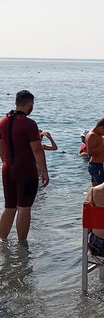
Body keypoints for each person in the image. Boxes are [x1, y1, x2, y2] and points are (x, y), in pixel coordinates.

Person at [0, 90, 49, 241]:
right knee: (24, 207)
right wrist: (45, 172)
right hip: (26, 169)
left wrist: (5, 161)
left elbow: (1, 146)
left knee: (9, 207)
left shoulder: (3, 121)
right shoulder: (29, 124)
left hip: (8, 167)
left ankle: (2, 241)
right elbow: (37, 150)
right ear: (29, 103)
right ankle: (22, 245)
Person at [85, 117, 104, 185]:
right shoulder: (92, 135)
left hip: (100, 165)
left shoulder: (98, 134)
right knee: (102, 187)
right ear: (101, 128)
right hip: (96, 165)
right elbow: (90, 152)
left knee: (98, 187)